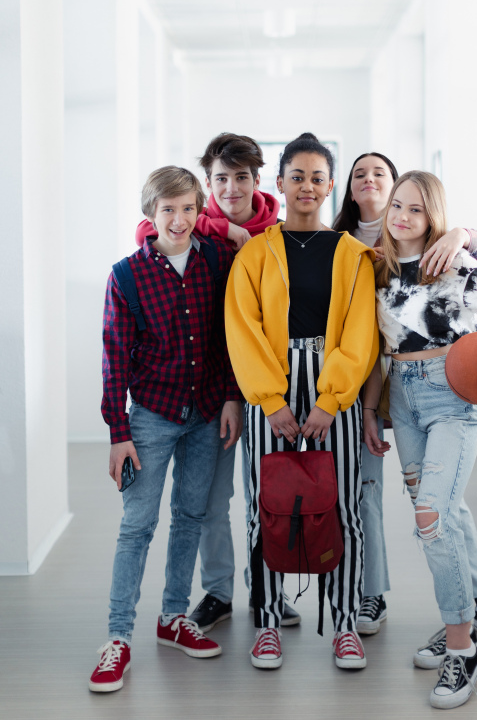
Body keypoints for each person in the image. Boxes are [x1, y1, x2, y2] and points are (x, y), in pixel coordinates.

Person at [363, 170, 477, 710]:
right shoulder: (379, 270)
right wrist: (371, 409)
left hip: (454, 397)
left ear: (433, 216)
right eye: (396, 206)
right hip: (404, 402)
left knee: (431, 519)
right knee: (445, 516)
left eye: (414, 208)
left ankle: (462, 648)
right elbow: (377, 352)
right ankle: (464, 612)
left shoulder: (456, 263)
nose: (402, 216)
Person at [134, 135, 300, 633]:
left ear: (258, 180)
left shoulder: (280, 231)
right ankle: (220, 591)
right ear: (208, 184)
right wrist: (219, 226)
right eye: (221, 179)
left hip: (273, 384)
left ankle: (270, 592)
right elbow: (149, 226)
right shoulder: (199, 228)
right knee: (211, 500)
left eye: (242, 177)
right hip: (215, 388)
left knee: (269, 493)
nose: (232, 187)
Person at [225, 132, 379, 671]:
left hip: (333, 387)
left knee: (342, 509)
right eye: (297, 176)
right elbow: (241, 329)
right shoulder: (255, 253)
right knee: (263, 508)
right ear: (280, 183)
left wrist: (332, 400)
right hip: (269, 387)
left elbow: (361, 335)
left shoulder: (354, 254)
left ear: (331, 185)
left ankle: (344, 624)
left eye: (318, 177)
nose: (307, 186)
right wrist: (270, 401)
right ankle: (267, 621)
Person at [333, 153, 477, 637]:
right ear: (346, 187)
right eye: (358, 173)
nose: (368, 180)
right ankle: (372, 596)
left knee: (441, 506)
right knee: (369, 497)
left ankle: (476, 603)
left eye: (378, 173)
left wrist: (461, 233)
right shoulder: (343, 244)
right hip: (378, 389)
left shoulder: (435, 247)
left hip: (442, 392)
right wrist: (366, 405)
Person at [89, 166, 242, 693]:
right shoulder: (126, 275)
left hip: (205, 414)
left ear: (201, 211)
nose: (178, 220)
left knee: (190, 518)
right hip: (150, 417)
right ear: (150, 216)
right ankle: (117, 638)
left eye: (187, 209)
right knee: (137, 527)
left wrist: (229, 397)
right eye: (167, 210)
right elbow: (114, 359)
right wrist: (118, 431)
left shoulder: (220, 261)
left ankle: (173, 617)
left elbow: (229, 338)